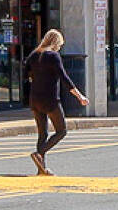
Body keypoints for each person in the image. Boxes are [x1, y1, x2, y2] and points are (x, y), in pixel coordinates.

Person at [24, 27, 87, 176]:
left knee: (42, 134)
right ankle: (39, 153)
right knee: (61, 131)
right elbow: (64, 77)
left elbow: (26, 73)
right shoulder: (53, 56)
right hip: (50, 99)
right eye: (60, 45)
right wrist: (80, 96)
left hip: (35, 99)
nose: (59, 48)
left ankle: (41, 169)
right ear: (56, 43)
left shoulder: (34, 55)